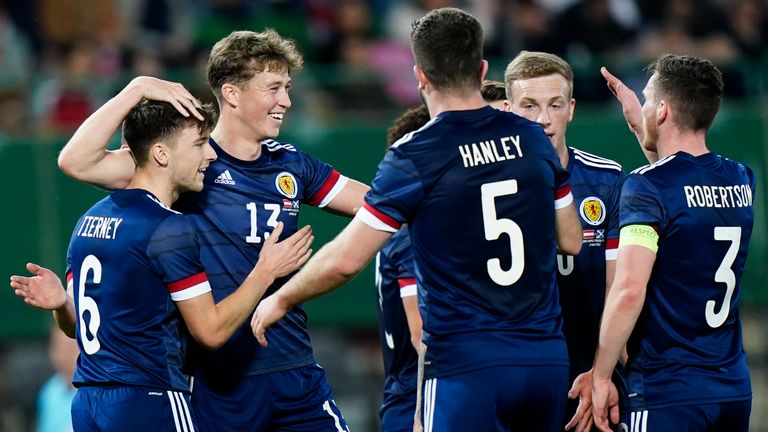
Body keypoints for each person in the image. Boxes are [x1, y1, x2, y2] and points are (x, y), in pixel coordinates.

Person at [251, 8, 583, 432]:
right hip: (546, 363)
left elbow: (346, 260)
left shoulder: (416, 154)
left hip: (466, 367)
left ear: (420, 76)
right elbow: (571, 240)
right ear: (482, 70)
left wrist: (281, 298)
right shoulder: (534, 139)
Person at [55, 29, 369, 432]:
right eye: (273, 88)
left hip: (293, 368)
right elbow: (76, 161)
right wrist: (136, 89)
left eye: (288, 87)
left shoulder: (294, 165)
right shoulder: (188, 164)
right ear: (232, 94)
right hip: (215, 384)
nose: (286, 101)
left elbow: (377, 205)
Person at [11, 76, 313, 431]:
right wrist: (265, 270)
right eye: (200, 143)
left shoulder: (88, 221)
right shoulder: (168, 228)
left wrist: (63, 304)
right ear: (161, 153)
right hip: (149, 401)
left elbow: (80, 327)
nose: (211, 154)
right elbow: (212, 332)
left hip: (89, 405)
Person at [588, 54, 755, 431]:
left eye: (648, 100)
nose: (643, 106)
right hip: (731, 388)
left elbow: (629, 290)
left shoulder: (645, 187)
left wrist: (601, 374)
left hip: (669, 390)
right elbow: (683, 190)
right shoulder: (741, 179)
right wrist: (639, 128)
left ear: (662, 110)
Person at [503, 50, 625, 431]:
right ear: (507, 109)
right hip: (512, 377)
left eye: (555, 104)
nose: (543, 118)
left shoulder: (606, 180)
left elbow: (620, 289)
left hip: (589, 375)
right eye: (529, 105)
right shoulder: (485, 185)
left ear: (571, 108)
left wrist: (601, 372)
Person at [376, 104, 430, 432]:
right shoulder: (413, 234)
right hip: (418, 399)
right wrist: (424, 412)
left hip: (404, 392)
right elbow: (421, 332)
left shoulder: (397, 228)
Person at [36, 326, 78, 432]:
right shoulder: (48, 392)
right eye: (58, 346)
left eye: (70, 347)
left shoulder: (100, 391)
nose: (64, 354)